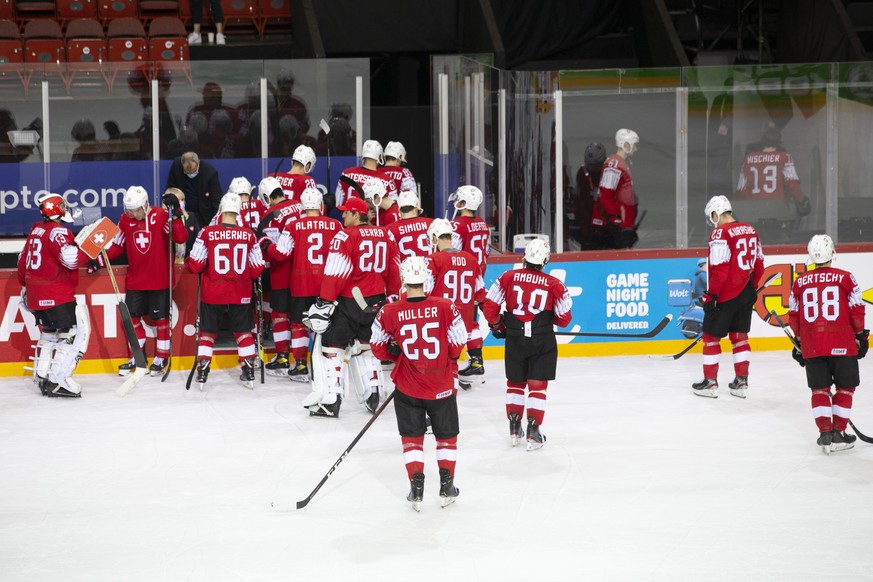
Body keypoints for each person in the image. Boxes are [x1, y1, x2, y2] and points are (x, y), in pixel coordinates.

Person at [371, 256, 468, 511]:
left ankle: (416, 487)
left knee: (412, 438)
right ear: (425, 278)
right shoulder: (446, 306)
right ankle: (447, 486)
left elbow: (377, 346)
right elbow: (459, 340)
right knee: (446, 437)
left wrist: (396, 354)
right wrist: (448, 357)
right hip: (441, 385)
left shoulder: (389, 310)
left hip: (408, 387)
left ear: (403, 279)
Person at [301, 196, 401, 417]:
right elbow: (394, 269)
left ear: (357, 214)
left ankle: (331, 400)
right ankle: (373, 393)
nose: (343, 215)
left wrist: (324, 302)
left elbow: (337, 271)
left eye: (346, 212)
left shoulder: (345, 236)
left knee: (332, 348)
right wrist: (393, 296)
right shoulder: (386, 234)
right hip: (377, 301)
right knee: (368, 346)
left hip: (350, 300)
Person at [482, 239, 573, 450]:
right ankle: (533, 430)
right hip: (542, 338)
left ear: (524, 258)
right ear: (545, 261)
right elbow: (564, 319)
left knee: (515, 382)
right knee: (537, 385)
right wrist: (549, 320)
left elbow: (490, 306)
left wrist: (497, 326)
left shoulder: (507, 276)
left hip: (515, 337)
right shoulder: (555, 284)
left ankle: (514, 427)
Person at [87, 186, 188, 376]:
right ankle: (138, 355)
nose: (132, 213)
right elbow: (118, 246)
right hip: (136, 280)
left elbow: (181, 237)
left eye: (135, 209)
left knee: (161, 320)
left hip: (160, 280)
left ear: (145, 205)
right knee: (132, 318)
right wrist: (100, 260)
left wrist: (175, 216)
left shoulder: (160, 215)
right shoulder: (126, 220)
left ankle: (162, 356)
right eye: (129, 209)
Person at [788, 234, 868, 454]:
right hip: (842, 341)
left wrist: (800, 340)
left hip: (813, 345)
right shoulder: (845, 277)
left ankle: (824, 432)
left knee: (819, 389)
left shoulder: (799, 282)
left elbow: (793, 315)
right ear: (832, 253)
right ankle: (838, 433)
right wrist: (861, 335)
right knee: (845, 387)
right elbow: (856, 309)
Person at [186, 192, 266, 389]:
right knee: (243, 332)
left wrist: (192, 262)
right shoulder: (249, 235)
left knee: (207, 333)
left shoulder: (206, 232)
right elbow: (257, 269)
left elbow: (195, 265)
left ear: (221, 211)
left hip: (213, 292)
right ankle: (248, 371)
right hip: (241, 293)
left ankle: (203, 371)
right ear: (238, 213)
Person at [261, 187, 342, 381]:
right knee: (327, 324)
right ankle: (329, 364)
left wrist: (265, 244)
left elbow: (281, 253)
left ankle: (300, 364)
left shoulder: (294, 226)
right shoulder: (336, 225)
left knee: (299, 324)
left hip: (301, 283)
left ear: (303, 207)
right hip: (327, 284)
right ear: (321, 205)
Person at [18, 194, 90, 397]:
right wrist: (91, 249)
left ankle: (43, 376)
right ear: (54, 209)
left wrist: (26, 287)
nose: (65, 208)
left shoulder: (36, 230)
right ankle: (60, 380)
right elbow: (71, 259)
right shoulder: (57, 231)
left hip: (34, 293)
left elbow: (22, 261)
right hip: (56, 293)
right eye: (61, 205)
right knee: (75, 332)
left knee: (48, 332)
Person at [692, 195, 765, 399]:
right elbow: (759, 265)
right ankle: (741, 381)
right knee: (740, 336)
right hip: (745, 293)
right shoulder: (751, 230)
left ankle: (710, 382)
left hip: (724, 294)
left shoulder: (720, 233)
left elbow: (721, 269)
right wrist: (750, 287)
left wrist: (712, 295)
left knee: (711, 337)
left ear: (716, 213)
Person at [425, 218, 485, 390]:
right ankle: (474, 362)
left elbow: (425, 292)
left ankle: (447, 394)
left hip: (440, 321)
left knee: (439, 365)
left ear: (435, 238)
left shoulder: (433, 259)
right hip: (463, 324)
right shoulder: (471, 260)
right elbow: (480, 294)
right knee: (452, 360)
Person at [256, 176, 304, 376]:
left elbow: (276, 253)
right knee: (300, 319)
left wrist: (263, 243)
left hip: (282, 273)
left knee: (280, 316)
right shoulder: (301, 206)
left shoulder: (270, 215)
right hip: (304, 271)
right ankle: (301, 361)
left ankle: (283, 356)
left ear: (267, 196)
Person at [450, 185, 490, 382]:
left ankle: (453, 362)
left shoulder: (458, 224)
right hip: (476, 276)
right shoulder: (482, 223)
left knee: (457, 320)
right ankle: (476, 361)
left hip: (461, 276)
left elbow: (451, 252)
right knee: (471, 320)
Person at [735, 126, 811, 216]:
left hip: (754, 212)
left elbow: (741, 190)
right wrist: (802, 200)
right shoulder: (784, 157)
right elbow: (792, 183)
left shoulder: (749, 158)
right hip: (778, 211)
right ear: (778, 143)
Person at [592, 128, 640, 249]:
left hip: (620, 227)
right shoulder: (614, 164)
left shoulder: (621, 163)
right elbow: (606, 194)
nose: (635, 149)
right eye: (634, 146)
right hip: (612, 229)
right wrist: (616, 221)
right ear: (625, 145)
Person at [165, 151, 223, 247]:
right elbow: (170, 191)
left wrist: (216, 224)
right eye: (187, 173)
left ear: (198, 163)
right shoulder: (176, 166)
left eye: (193, 172)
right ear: (182, 165)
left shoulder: (210, 173)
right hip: (182, 214)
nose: (191, 174)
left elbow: (216, 200)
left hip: (203, 216)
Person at [334, 140, 397, 210]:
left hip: (349, 218)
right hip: (374, 220)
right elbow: (393, 208)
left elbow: (338, 202)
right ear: (379, 156)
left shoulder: (346, 174)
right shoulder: (386, 180)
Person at [573, 142, 607, 249]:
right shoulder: (583, 174)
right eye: (590, 165)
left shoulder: (607, 173)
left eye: (595, 166)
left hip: (605, 231)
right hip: (587, 230)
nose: (592, 169)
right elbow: (580, 202)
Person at [386, 190, 433, 260]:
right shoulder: (432, 223)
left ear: (399, 209)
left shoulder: (390, 229)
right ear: (417, 206)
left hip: (404, 270)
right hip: (428, 269)